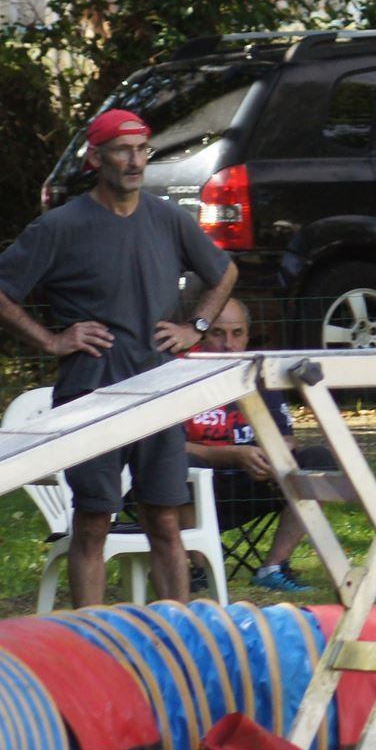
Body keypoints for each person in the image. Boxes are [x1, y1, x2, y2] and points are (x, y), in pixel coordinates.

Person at [0, 109, 238, 607]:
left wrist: (194, 327)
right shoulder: (60, 226)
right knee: (93, 522)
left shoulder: (167, 217)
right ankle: (93, 640)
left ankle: (177, 630)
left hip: (158, 389)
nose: (135, 161)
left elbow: (224, 272)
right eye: (123, 150)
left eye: (142, 150)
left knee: (166, 519)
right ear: (95, 157)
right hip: (91, 390)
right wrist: (51, 341)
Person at [183, 297, 334, 593]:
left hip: (254, 482)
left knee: (319, 460)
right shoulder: (179, 375)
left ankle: (273, 567)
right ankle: (200, 571)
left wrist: (273, 454)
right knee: (173, 466)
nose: (229, 344)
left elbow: (287, 438)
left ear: (248, 335)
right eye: (218, 333)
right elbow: (165, 448)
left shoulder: (262, 376)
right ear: (201, 335)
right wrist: (232, 454)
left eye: (237, 334)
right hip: (195, 486)